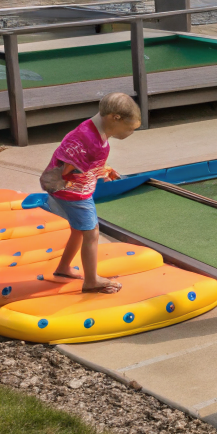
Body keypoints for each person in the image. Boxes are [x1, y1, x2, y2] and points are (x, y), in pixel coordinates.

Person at [40, 92, 142, 293]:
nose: (130, 133)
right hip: (74, 195)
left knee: (79, 230)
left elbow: (83, 161)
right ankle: (91, 280)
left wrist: (104, 169)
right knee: (92, 233)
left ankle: (63, 268)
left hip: (67, 190)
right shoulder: (92, 142)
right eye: (130, 129)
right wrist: (94, 171)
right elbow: (71, 167)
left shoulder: (90, 130)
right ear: (115, 118)